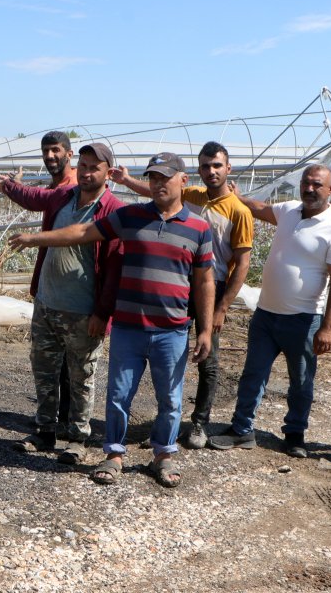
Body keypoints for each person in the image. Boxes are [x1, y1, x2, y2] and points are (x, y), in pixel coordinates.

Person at [10, 152, 214, 488]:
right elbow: (83, 231)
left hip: (172, 331)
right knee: (118, 396)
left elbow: (204, 281)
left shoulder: (198, 228)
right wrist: (36, 239)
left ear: (183, 181)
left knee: (171, 399)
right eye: (153, 177)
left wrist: (205, 329)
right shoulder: (131, 217)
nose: (158, 183)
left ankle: (163, 456)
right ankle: (114, 454)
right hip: (129, 327)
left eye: (165, 177)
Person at [111, 141, 253, 449]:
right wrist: (125, 181)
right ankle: (166, 427)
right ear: (196, 172)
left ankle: (199, 423)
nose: (211, 171)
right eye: (205, 166)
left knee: (207, 357)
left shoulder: (239, 211)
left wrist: (221, 307)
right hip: (177, 282)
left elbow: (242, 263)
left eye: (217, 166)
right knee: (168, 353)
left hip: (209, 287)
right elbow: (157, 191)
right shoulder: (192, 196)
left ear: (228, 169)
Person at [208, 164, 331, 458]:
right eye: (305, 183)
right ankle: (241, 430)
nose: (309, 189)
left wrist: (328, 327)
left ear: (330, 190)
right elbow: (259, 208)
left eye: (316, 185)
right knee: (253, 374)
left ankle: (295, 435)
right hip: (265, 315)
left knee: (301, 382)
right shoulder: (289, 210)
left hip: (304, 320)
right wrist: (236, 196)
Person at [0, 143, 123, 463]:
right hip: (48, 304)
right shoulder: (62, 197)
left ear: (109, 172)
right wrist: (10, 185)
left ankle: (77, 438)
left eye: (95, 167)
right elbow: (32, 198)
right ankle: (45, 431)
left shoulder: (112, 211)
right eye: (84, 165)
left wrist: (102, 315)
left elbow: (115, 271)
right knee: (44, 370)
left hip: (83, 312)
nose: (87, 172)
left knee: (82, 377)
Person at [9, 131, 80, 432]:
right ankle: (58, 420)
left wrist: (12, 187)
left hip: (72, 288)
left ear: (69, 153)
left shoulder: (73, 187)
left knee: (70, 362)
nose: (50, 157)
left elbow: (40, 200)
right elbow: (41, 197)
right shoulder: (59, 185)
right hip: (54, 282)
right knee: (57, 360)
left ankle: (69, 424)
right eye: (45, 152)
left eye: (55, 151)